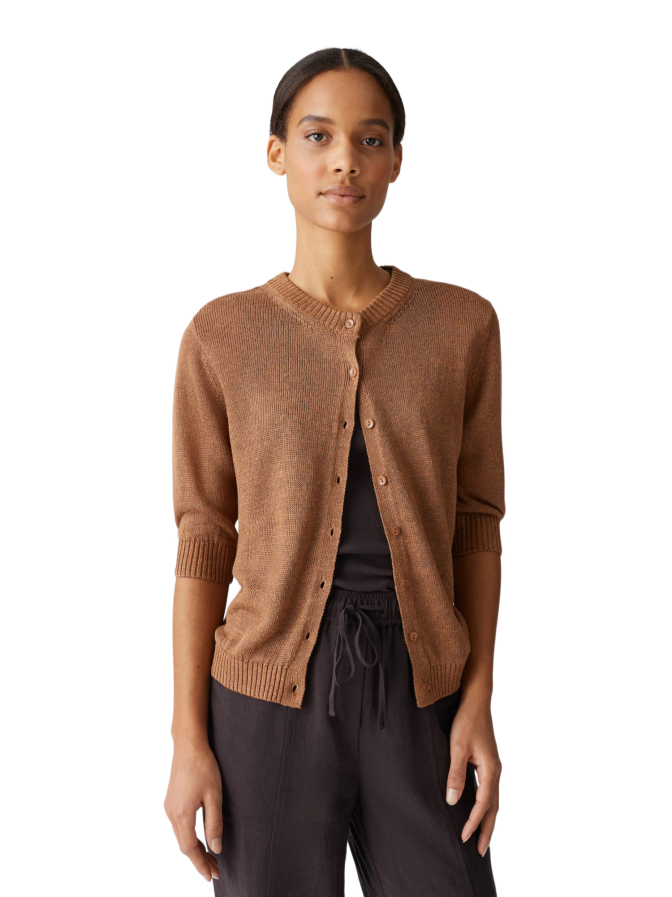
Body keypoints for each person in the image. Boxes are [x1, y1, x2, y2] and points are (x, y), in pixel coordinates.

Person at [164, 47, 505, 897]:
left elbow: (476, 522)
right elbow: (204, 538)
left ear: (396, 160)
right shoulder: (222, 335)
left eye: (370, 138)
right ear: (277, 152)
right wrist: (187, 739)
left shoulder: (462, 326)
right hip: (264, 699)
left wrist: (478, 699)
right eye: (318, 136)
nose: (345, 159)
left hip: (423, 690)